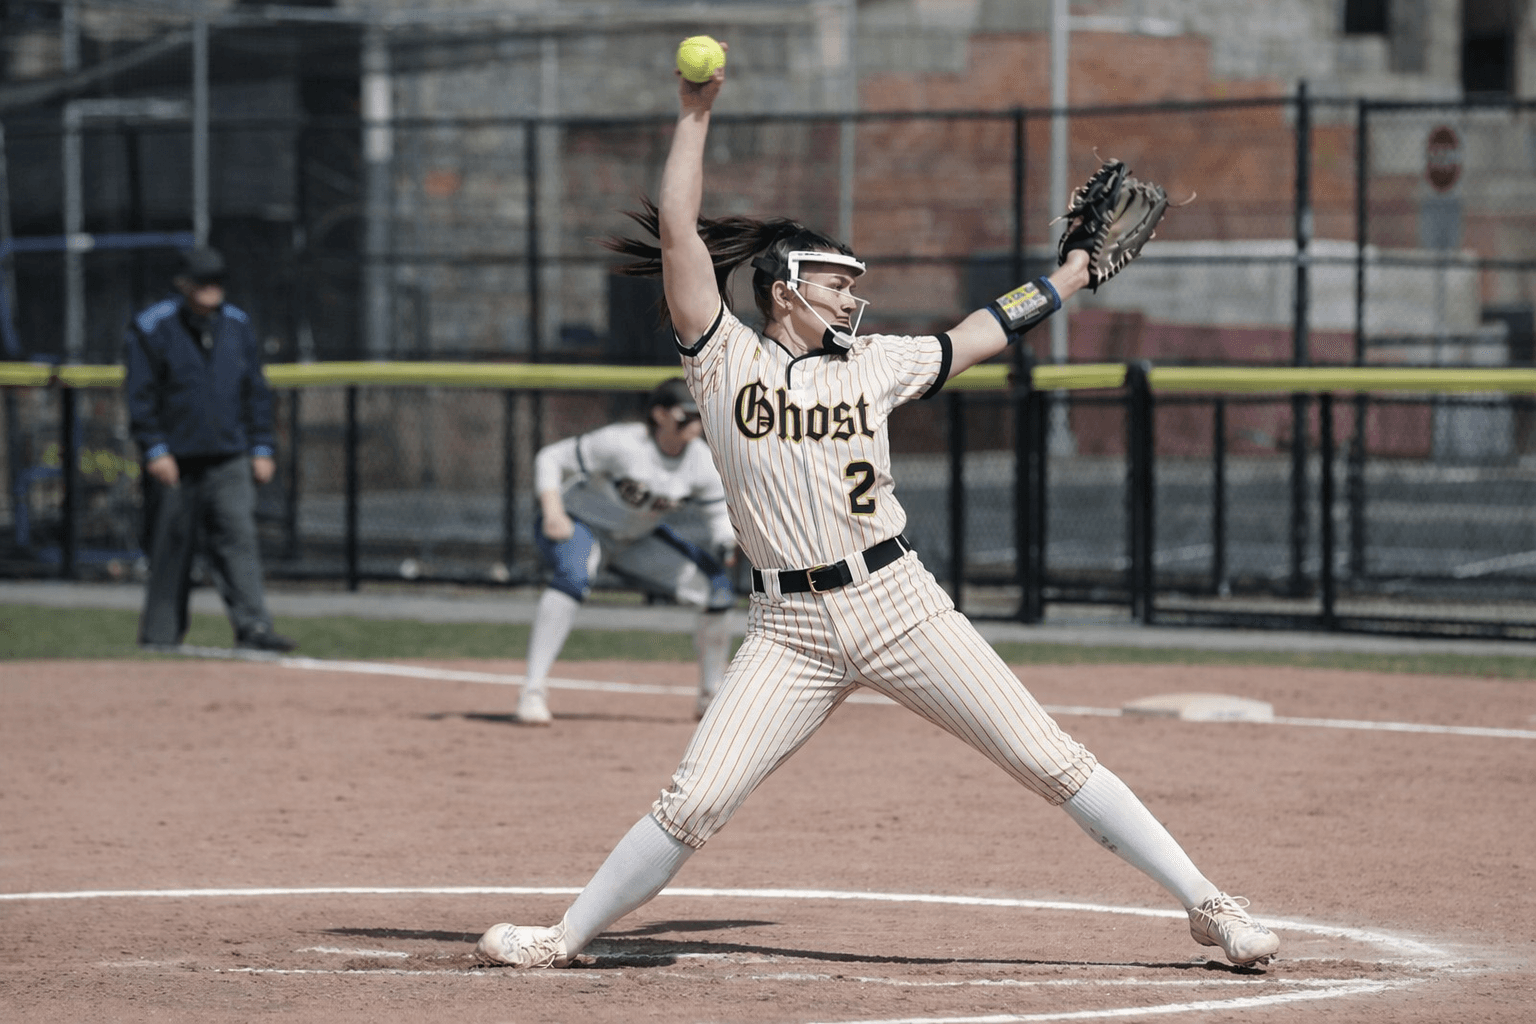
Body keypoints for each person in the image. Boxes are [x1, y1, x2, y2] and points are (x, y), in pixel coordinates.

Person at [475, 47, 1278, 970]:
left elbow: (989, 325)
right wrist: (695, 114)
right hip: (789, 629)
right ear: (784, 289)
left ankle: (1212, 906)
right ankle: (564, 935)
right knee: (694, 802)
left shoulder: (877, 362)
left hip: (899, 603)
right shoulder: (722, 358)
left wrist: (1075, 275)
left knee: (1047, 757)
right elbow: (680, 233)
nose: (854, 296)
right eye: (837, 283)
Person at [516, 377, 737, 725]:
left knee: (716, 589)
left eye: (700, 415)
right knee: (573, 576)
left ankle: (711, 697)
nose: (696, 422)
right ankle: (532, 690)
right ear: (660, 415)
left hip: (636, 539)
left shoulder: (700, 459)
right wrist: (553, 510)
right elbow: (551, 457)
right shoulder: (622, 442)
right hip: (582, 523)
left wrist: (726, 542)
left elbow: (718, 515)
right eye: (687, 414)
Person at [124, 247, 296, 653]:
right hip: (176, 458)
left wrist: (262, 446)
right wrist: (155, 448)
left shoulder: (237, 325)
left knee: (238, 538)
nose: (212, 289)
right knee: (171, 545)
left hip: (228, 455)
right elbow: (140, 397)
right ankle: (161, 635)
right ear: (183, 285)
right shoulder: (153, 327)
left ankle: (253, 627)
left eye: (217, 281)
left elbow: (255, 392)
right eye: (203, 282)